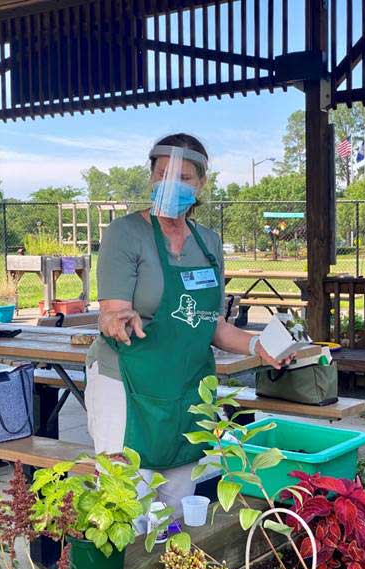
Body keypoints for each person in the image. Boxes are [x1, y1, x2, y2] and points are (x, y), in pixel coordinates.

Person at [85, 133, 293, 527]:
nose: (172, 185)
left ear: (200, 186)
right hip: (127, 384)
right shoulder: (125, 234)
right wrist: (116, 320)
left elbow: (213, 325)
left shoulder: (209, 242)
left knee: (177, 504)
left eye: (184, 177)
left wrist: (258, 344)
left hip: (188, 388)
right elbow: (112, 312)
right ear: (151, 178)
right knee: (124, 506)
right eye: (163, 174)